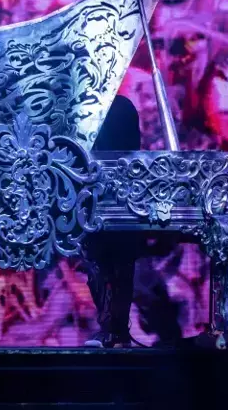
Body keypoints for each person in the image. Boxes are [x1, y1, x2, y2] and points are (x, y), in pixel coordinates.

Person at [82, 94, 142, 348]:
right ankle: (113, 329)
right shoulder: (110, 106)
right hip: (108, 199)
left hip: (114, 200)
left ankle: (114, 329)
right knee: (106, 268)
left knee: (115, 267)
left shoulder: (118, 107)